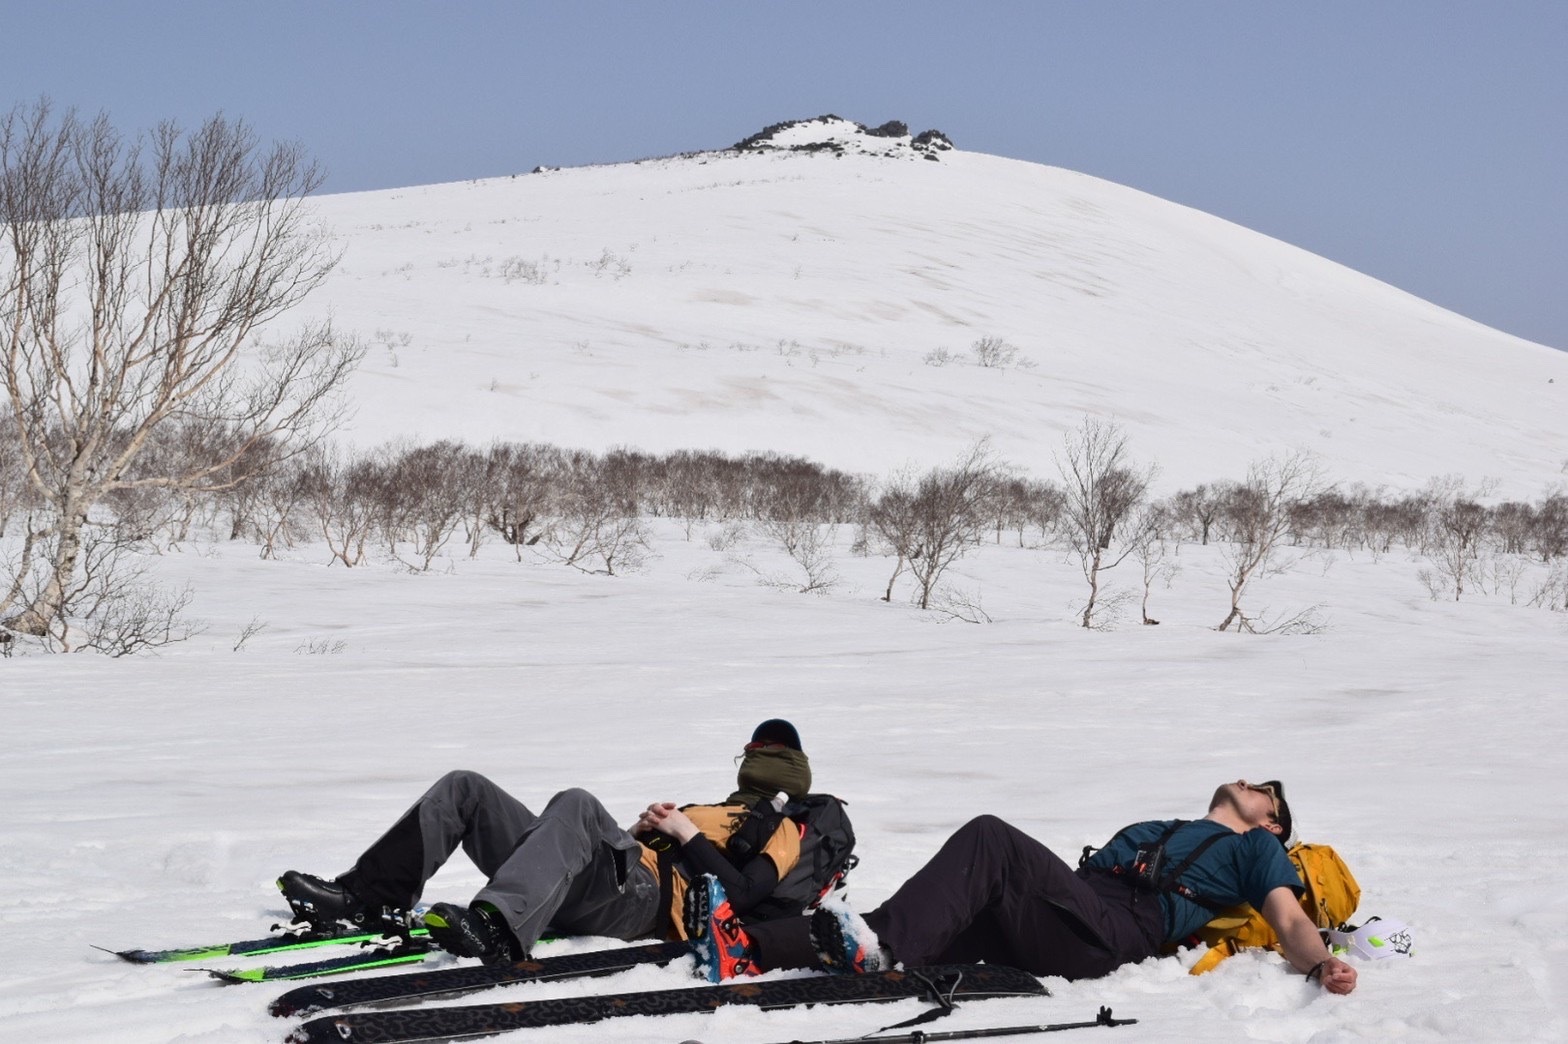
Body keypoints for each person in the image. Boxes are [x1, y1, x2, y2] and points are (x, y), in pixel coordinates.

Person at [703, 779, 1357, 995]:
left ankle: (875, 948)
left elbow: (1289, 921)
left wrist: (1322, 962)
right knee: (917, 919)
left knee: (991, 837)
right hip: (1066, 913)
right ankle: (750, 948)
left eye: (1262, 792)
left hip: (1108, 935)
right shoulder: (1174, 826)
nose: (1248, 782)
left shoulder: (1258, 852)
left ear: (1271, 822)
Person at [278, 719, 813, 963]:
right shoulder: (717, 808)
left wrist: (685, 833)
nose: (750, 755)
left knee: (577, 801)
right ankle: (368, 899)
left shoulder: (786, 826)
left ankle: (496, 928)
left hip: (646, 907)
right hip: (611, 885)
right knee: (468, 788)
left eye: (760, 749)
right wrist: (638, 833)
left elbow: (743, 893)